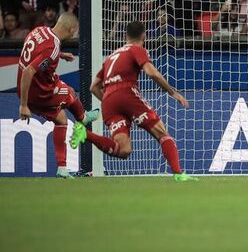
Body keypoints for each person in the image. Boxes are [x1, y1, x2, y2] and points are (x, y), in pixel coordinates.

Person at [70, 21, 195, 181]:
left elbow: (93, 87)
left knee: (123, 150)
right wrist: (173, 93)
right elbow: (152, 73)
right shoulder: (137, 49)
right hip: (127, 93)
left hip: (108, 100)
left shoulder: (111, 56)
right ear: (144, 36)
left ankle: (85, 134)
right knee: (162, 134)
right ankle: (179, 174)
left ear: (125, 36)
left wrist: (112, 103)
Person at [17, 12, 99, 178]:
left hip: (26, 88)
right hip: (40, 93)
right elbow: (28, 71)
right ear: (71, 29)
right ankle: (83, 117)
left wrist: (60, 55)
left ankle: (62, 168)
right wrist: (23, 105)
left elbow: (37, 54)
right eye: (74, 32)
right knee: (68, 91)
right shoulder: (52, 47)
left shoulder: (39, 31)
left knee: (61, 119)